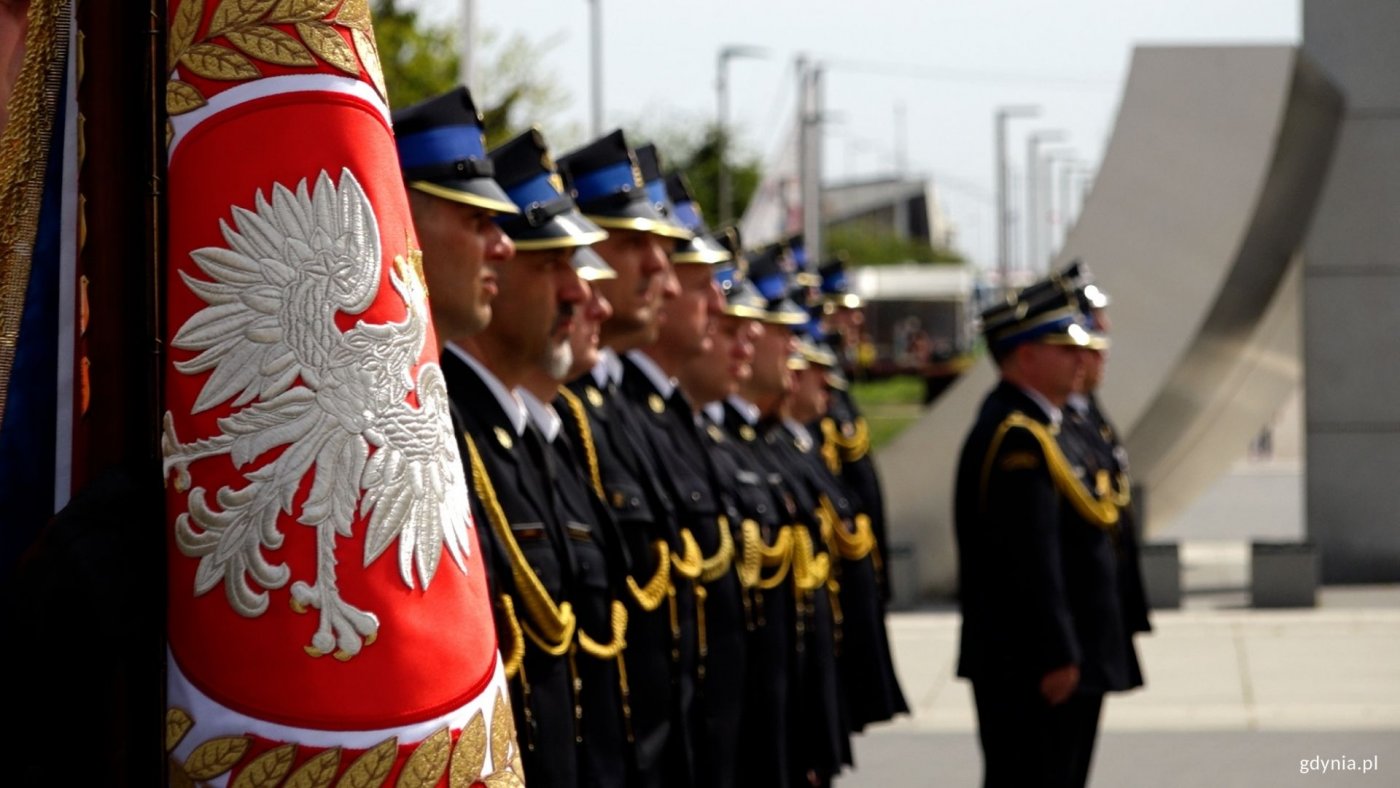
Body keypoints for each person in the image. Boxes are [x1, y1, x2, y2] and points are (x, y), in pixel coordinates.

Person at [953, 274, 1143, 788]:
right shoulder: (1019, 436)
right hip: (1033, 663)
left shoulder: (1046, 425)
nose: (1081, 359)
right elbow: (1030, 560)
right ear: (1025, 357)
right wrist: (1056, 653)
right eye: (1064, 348)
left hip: (1055, 654)